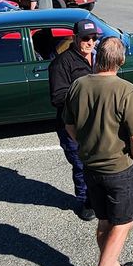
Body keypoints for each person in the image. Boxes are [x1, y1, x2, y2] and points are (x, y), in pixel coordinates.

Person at [64, 37, 133, 266]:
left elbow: (69, 126)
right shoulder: (126, 90)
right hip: (119, 169)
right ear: (121, 60)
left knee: (104, 223)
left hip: (91, 168)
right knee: (123, 224)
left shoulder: (78, 85)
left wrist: (87, 143)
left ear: (97, 57)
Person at [49, 20, 101, 222]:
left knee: (96, 162)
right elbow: (58, 97)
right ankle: (85, 201)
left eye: (94, 38)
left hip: (95, 123)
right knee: (80, 164)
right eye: (85, 39)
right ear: (75, 38)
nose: (90, 43)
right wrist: (87, 97)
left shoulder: (98, 58)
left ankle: (96, 196)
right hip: (71, 126)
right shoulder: (61, 63)